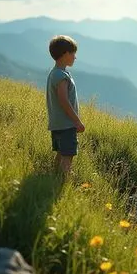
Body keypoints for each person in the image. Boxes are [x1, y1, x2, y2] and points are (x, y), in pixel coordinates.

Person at [46, 35, 85, 175]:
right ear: (64, 54)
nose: (75, 57)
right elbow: (63, 100)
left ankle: (54, 178)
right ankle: (64, 183)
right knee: (68, 156)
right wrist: (77, 121)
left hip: (57, 124)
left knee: (61, 154)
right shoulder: (61, 76)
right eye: (73, 53)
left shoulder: (55, 73)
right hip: (66, 124)